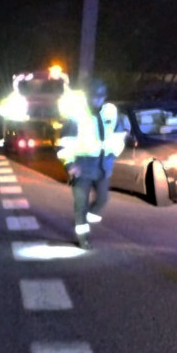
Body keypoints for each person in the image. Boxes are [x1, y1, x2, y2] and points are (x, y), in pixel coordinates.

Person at [56, 78, 126, 250]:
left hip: (103, 167)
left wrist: (112, 156)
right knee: (81, 204)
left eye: (101, 96)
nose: (98, 100)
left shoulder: (110, 113)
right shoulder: (76, 116)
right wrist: (70, 165)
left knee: (102, 200)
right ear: (88, 97)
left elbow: (118, 138)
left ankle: (84, 219)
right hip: (82, 166)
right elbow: (64, 144)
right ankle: (83, 238)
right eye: (94, 96)